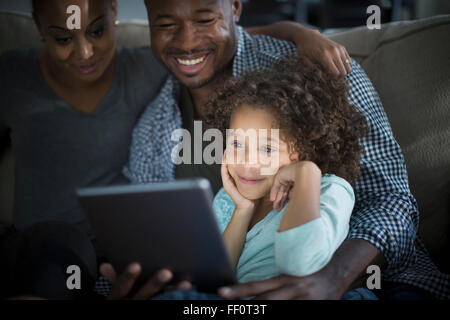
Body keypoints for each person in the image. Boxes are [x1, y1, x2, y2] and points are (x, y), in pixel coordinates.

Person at [0, 0, 351, 298]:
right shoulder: (14, 76)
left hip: (91, 253)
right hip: (55, 247)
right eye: (62, 38)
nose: (85, 52)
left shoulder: (147, 68)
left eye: (96, 31)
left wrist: (300, 33)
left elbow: (214, 40)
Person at [116, 0, 450, 300]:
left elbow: (393, 201)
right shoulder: (153, 123)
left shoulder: (314, 72)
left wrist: (332, 278)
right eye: (165, 25)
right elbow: (156, 240)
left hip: (376, 283)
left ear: (234, 8)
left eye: (205, 20)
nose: (186, 41)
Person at [209, 57, 377, 299]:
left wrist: (307, 172)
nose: (247, 162)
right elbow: (214, 282)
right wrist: (242, 211)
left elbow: (298, 264)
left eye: (267, 149)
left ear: (305, 149)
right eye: (236, 143)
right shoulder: (228, 198)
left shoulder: (328, 189)